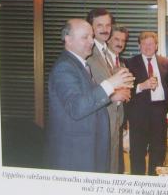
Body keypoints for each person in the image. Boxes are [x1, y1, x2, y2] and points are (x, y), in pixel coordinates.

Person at [45, 19, 133, 173]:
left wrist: (113, 90)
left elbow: (90, 100)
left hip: (88, 147)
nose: (91, 41)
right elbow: (77, 107)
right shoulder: (64, 67)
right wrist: (110, 84)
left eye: (91, 37)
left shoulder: (80, 65)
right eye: (85, 37)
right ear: (68, 40)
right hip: (76, 153)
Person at [86, 9, 129, 174]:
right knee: (101, 169)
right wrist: (113, 96)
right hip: (99, 120)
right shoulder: (88, 53)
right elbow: (86, 90)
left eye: (108, 25)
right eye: (100, 25)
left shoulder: (106, 52)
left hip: (114, 119)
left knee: (113, 167)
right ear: (91, 27)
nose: (105, 29)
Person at [125, 31, 168, 175]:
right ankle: (138, 183)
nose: (147, 47)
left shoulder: (166, 63)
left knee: (158, 152)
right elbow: (125, 88)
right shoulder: (130, 63)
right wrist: (141, 86)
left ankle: (155, 182)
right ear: (139, 46)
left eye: (151, 44)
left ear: (156, 46)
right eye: (144, 44)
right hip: (138, 114)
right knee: (137, 153)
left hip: (159, 113)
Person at [107, 25, 130, 172]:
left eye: (123, 40)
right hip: (106, 118)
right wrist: (115, 95)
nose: (120, 43)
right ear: (108, 39)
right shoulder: (100, 60)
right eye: (116, 39)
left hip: (118, 118)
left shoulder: (121, 63)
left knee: (117, 162)